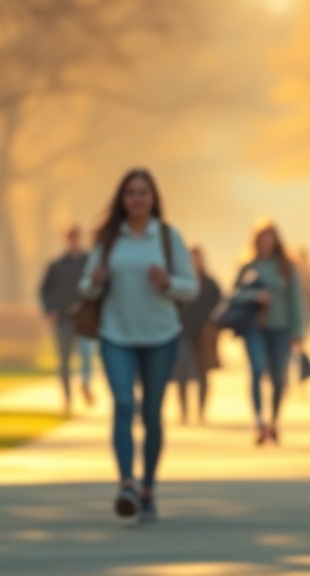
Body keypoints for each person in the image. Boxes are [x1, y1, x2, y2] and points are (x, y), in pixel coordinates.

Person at [80, 168, 197, 522]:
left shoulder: (166, 237)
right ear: (122, 198)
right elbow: (86, 288)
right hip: (116, 334)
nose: (137, 198)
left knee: (151, 413)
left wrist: (167, 282)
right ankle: (126, 484)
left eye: (143, 192)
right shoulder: (108, 240)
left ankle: (148, 488)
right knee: (123, 404)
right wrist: (95, 282)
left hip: (160, 336)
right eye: (130, 192)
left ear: (153, 198)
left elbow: (190, 288)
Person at [232, 220, 305, 447]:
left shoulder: (285, 267)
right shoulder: (248, 266)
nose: (266, 242)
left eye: (270, 237)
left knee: (278, 376)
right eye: (262, 238)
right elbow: (233, 296)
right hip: (254, 327)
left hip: (280, 328)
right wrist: (254, 296)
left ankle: (274, 420)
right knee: (255, 369)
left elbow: (295, 300)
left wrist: (298, 330)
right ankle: (258, 421)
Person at [39, 225, 95, 417]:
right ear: (66, 240)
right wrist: (50, 310)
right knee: (64, 361)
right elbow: (44, 290)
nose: (73, 241)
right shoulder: (56, 265)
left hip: (84, 319)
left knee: (87, 354)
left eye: (76, 237)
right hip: (63, 318)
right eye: (70, 238)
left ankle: (85, 384)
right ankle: (67, 398)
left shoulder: (89, 263)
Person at [173, 246, 223, 425]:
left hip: (203, 334)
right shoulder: (178, 282)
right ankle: (183, 411)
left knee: (202, 373)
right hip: (182, 332)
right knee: (181, 373)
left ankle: (201, 411)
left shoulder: (210, 284)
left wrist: (213, 323)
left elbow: (221, 305)